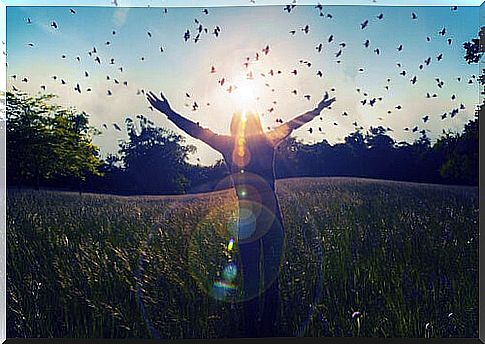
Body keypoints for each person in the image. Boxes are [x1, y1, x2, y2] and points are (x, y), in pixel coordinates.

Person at [146, 91, 335, 337]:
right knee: (268, 278)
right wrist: (317, 109)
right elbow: (294, 123)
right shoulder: (266, 139)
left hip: (250, 220)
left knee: (253, 278)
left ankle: (253, 329)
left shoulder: (230, 143)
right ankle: (265, 329)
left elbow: (196, 130)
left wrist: (169, 113)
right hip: (269, 218)